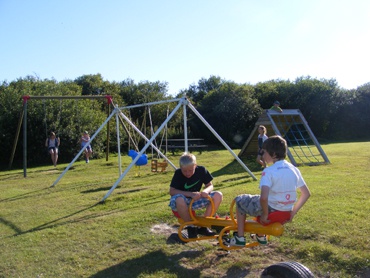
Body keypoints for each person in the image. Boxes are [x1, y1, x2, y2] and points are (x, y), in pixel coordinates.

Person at [230, 135, 311, 247]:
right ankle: (261, 235)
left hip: (271, 209)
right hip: (286, 211)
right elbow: (306, 194)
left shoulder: (269, 171)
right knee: (256, 199)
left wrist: (265, 215)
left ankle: (240, 237)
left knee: (240, 200)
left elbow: (264, 198)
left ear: (273, 154)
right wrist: (292, 213)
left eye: (264, 152)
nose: (262, 155)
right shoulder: (294, 169)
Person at [169, 152, 223, 238]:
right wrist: (190, 194)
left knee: (218, 195)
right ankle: (191, 227)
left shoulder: (202, 170)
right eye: (184, 171)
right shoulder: (178, 173)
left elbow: (210, 185)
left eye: (190, 170)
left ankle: (204, 226)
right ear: (180, 168)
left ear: (195, 166)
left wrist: (206, 191)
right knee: (179, 199)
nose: (187, 173)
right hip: (181, 202)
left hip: (195, 200)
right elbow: (172, 191)